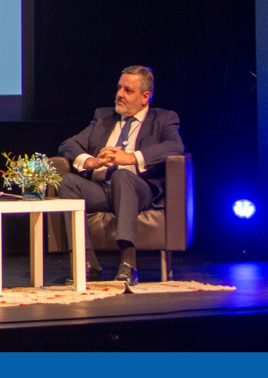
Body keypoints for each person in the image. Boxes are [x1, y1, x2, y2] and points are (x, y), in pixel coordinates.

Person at [52, 65, 184, 285]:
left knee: (122, 176)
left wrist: (131, 158)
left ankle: (128, 264)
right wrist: (90, 161)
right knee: (66, 182)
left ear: (145, 97)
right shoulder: (104, 117)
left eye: (128, 90)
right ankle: (88, 265)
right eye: (119, 88)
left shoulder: (163, 119)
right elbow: (68, 145)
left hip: (139, 189)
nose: (120, 94)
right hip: (103, 189)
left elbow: (175, 146)